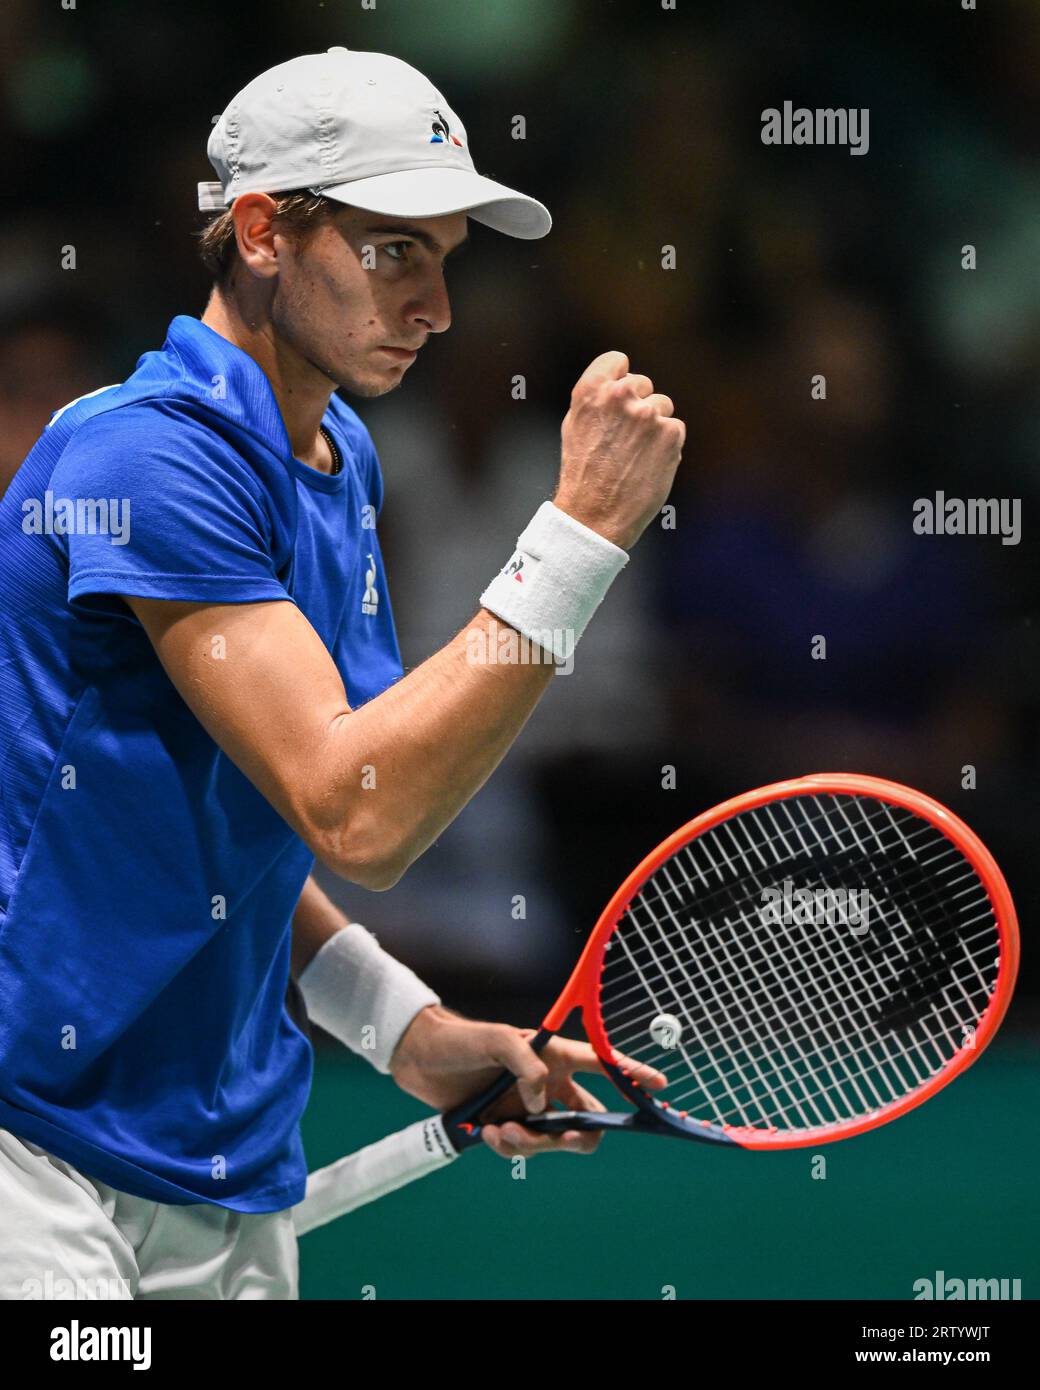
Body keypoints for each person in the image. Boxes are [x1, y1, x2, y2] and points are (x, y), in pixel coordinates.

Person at [0, 47, 684, 1300]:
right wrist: (575, 543)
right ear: (261, 231)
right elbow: (353, 807)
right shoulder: (140, 462)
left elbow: (255, 832)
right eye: (391, 252)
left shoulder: (338, 456)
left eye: (442, 258)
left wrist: (405, 1029)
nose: (435, 307)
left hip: (225, 1159)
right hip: (30, 1151)